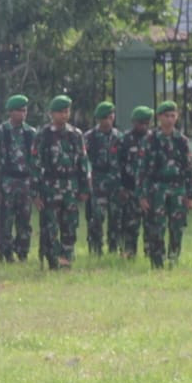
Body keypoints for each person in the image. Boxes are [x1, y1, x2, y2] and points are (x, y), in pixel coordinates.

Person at [31, 95, 90, 270]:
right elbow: (35, 163)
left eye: (67, 111)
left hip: (70, 186)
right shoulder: (43, 135)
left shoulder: (75, 135)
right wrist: (35, 193)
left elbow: (82, 161)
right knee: (50, 226)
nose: (64, 115)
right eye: (61, 112)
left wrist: (84, 187)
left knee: (70, 224)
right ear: (52, 114)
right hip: (50, 186)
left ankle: (66, 258)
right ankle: (52, 258)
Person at [139, 100, 192, 269]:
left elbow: (189, 168)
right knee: (156, 227)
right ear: (159, 118)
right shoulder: (150, 140)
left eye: (173, 115)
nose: (170, 119)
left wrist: (191, 194)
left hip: (178, 189)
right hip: (157, 189)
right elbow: (142, 170)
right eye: (167, 116)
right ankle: (157, 263)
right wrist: (142, 195)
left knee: (177, 227)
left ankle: (173, 259)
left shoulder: (181, 140)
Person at [0, 94, 35, 262]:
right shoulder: (1, 132)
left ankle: (23, 251)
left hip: (25, 181)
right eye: (18, 110)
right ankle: (6, 252)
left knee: (24, 218)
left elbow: (35, 160)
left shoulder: (30, 132)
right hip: (7, 181)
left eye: (24, 110)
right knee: (5, 218)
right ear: (10, 112)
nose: (22, 114)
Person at [114, 105, 152, 259]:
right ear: (133, 122)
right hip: (130, 188)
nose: (143, 126)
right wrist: (121, 187)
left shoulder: (153, 138)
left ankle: (151, 252)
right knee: (130, 223)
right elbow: (117, 165)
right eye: (140, 122)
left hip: (149, 189)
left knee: (151, 223)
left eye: (146, 122)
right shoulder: (124, 139)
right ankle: (129, 252)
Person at [84, 101, 121, 256]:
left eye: (110, 116)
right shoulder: (90, 137)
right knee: (96, 216)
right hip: (97, 179)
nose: (108, 120)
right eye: (104, 117)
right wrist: (88, 176)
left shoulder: (119, 136)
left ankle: (113, 247)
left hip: (115, 180)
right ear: (98, 119)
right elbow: (83, 159)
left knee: (116, 216)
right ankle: (96, 248)